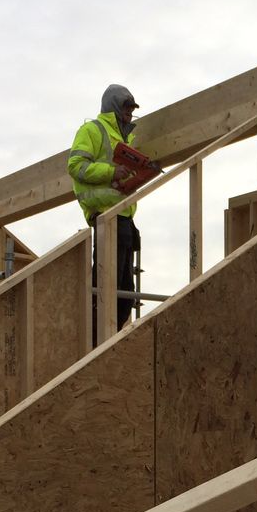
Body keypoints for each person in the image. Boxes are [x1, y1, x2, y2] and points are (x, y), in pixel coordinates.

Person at [68, 83, 146, 330]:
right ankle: (95, 338)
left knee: (125, 293)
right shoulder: (92, 130)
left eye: (132, 109)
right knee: (106, 288)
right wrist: (112, 171)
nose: (130, 113)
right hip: (105, 216)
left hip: (124, 216)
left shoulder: (128, 138)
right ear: (113, 107)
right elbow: (76, 166)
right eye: (126, 108)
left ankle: (110, 334)